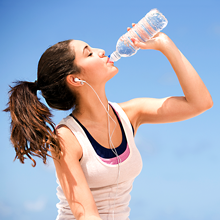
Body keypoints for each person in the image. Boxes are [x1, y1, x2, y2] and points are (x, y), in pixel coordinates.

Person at [4, 23, 213, 220]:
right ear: (75, 79)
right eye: (89, 53)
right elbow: (86, 215)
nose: (101, 50)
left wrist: (165, 45)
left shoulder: (131, 114)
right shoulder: (67, 137)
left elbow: (200, 103)